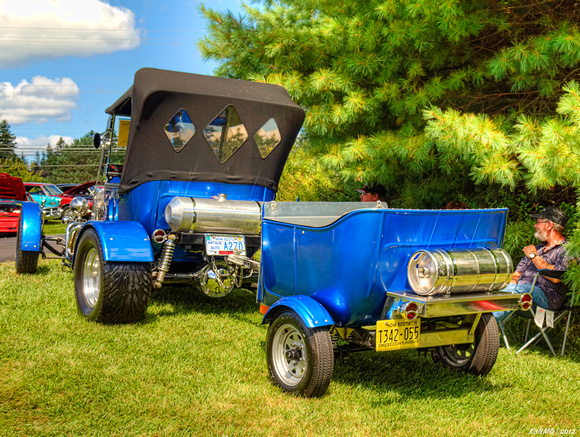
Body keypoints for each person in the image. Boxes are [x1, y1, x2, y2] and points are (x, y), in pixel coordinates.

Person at [494, 206, 570, 320]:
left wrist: (533, 256)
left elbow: (556, 277)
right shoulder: (537, 248)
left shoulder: (567, 249)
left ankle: (476, 331)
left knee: (509, 294)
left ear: (549, 225)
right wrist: (511, 284)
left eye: (538, 222)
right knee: (497, 291)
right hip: (521, 292)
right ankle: (481, 328)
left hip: (547, 298)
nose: (535, 226)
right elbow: (516, 274)